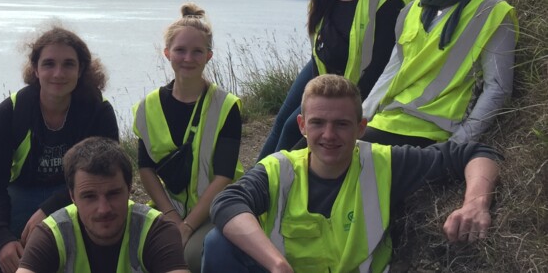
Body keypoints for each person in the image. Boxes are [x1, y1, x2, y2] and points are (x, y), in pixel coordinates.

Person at [204, 74, 501, 273]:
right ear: (302, 126)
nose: (329, 135)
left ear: (361, 127)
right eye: (318, 123)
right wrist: (278, 265)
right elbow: (228, 202)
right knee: (217, 243)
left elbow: (475, 153)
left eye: (342, 124)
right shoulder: (279, 168)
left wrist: (476, 203)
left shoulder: (387, 163)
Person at [0, 26, 120, 273]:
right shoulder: (12, 111)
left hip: (77, 194)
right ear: (35, 69)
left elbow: (106, 177)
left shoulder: (97, 110)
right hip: (23, 192)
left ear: (81, 70)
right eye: (48, 64)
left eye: (68, 64)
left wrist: (50, 209)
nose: (58, 73)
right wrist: (2, 239)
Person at [362, 0, 518, 146]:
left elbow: (498, 88)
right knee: (300, 155)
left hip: (433, 132)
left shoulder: (494, 10)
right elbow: (392, 72)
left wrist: (457, 145)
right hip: (388, 120)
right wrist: (360, 118)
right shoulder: (412, 9)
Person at [258, 0, 403, 158]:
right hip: (326, 92)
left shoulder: (386, 4)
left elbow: (380, 71)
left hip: (353, 102)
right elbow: (321, 56)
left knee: (293, 135)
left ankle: (263, 184)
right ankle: (250, 186)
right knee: (285, 124)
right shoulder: (326, 0)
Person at [132, 3, 243, 273]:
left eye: (197, 51)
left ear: (209, 56)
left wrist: (187, 226)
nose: (188, 58)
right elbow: (145, 168)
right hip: (170, 208)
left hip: (216, 206)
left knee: (192, 255)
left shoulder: (226, 106)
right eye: (180, 50)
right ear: (167, 53)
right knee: (139, 251)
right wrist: (170, 215)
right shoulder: (148, 107)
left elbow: (224, 176)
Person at [16, 137, 190, 273]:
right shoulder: (52, 234)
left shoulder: (155, 230)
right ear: (72, 197)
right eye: (90, 197)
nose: (104, 208)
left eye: (113, 193)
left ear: (129, 189)